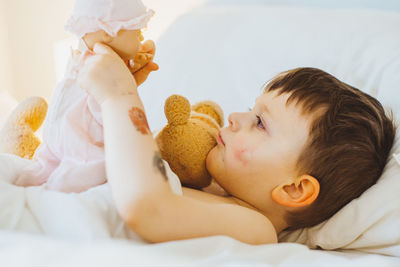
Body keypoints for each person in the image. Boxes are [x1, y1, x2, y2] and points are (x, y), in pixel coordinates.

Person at [78, 43, 396, 244]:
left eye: (260, 122)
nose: (233, 116)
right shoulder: (202, 177)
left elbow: (148, 209)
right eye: (249, 108)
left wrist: (119, 97)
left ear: (294, 189)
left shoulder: (254, 228)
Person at [15, 0, 158, 193]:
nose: (141, 37)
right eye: (138, 31)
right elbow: (118, 123)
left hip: (57, 140)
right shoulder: (104, 72)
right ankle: (51, 196)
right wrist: (126, 87)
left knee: (43, 166)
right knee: (99, 169)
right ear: (109, 33)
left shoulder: (79, 58)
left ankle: (31, 185)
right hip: (82, 146)